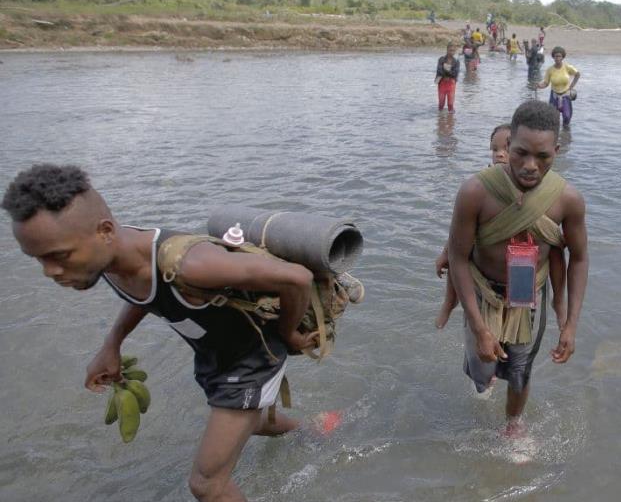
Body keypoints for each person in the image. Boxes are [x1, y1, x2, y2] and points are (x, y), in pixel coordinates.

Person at [1, 164, 362, 501]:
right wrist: (112, 343)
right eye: (39, 259)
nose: (50, 271)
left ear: (105, 232)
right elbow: (146, 295)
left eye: (59, 256)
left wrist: (290, 335)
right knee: (249, 423)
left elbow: (296, 279)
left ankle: (309, 428)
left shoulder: (194, 266)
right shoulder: (110, 262)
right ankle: (316, 429)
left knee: (206, 485)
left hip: (252, 359)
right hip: (215, 356)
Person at [447, 100, 588, 436]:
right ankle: (486, 375)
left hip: (528, 296)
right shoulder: (475, 192)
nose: (530, 166)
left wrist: (569, 324)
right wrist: (480, 326)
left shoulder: (567, 200)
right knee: (482, 371)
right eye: (521, 153)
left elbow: (579, 258)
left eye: (543, 157)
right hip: (482, 293)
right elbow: (457, 257)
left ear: (557, 150)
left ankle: (513, 423)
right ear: (508, 145)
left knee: (522, 367)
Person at [435, 125, 569, 331]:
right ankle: (449, 301)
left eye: (505, 150)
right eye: (494, 149)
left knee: (555, 247)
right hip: (486, 247)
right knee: (458, 255)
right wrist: (446, 251)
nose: (499, 154)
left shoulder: (538, 184)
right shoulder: (482, 184)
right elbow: (460, 230)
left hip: (527, 251)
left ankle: (559, 301)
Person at [537, 46, 580, 126]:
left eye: (559, 56)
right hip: (554, 96)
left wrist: (572, 86)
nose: (557, 58)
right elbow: (546, 83)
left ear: (562, 57)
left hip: (565, 96)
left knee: (567, 117)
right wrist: (539, 86)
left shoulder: (567, 67)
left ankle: (565, 133)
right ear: (553, 57)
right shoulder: (550, 70)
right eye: (555, 56)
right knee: (552, 119)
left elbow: (577, 74)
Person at [435, 43, 460, 112]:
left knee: (450, 104)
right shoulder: (441, 59)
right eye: (450, 50)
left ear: (455, 51)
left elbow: (455, 73)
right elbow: (439, 70)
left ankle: (451, 119)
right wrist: (449, 73)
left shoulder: (456, 62)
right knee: (441, 104)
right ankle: (440, 119)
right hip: (441, 83)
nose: (452, 52)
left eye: (453, 51)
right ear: (447, 50)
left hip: (451, 84)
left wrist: (446, 71)